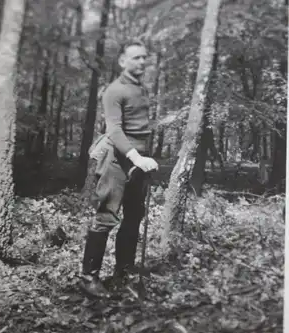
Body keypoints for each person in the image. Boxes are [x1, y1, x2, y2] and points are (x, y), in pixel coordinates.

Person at [80, 39, 158, 297]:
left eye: (144, 57)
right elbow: (114, 131)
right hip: (117, 160)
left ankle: (123, 271)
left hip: (139, 160)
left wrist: (144, 158)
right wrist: (136, 158)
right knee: (106, 216)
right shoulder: (114, 91)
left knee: (135, 215)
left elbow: (140, 128)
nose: (142, 62)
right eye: (136, 57)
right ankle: (89, 277)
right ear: (122, 61)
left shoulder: (142, 89)